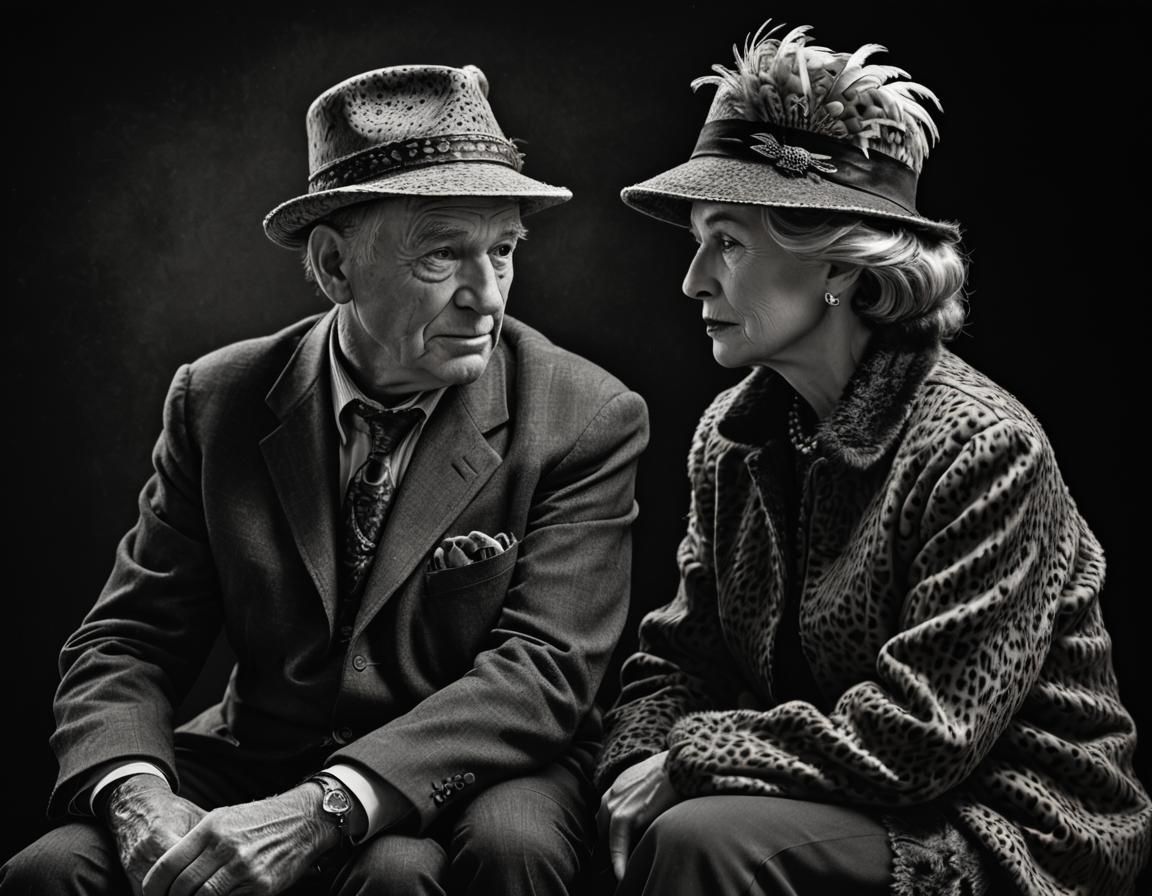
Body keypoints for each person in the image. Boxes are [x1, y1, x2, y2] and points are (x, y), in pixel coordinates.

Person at [0, 62, 648, 895]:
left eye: (504, 250)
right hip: (259, 751)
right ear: (336, 266)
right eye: (443, 256)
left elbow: (544, 675)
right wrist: (136, 796)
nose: (486, 296)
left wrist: (325, 809)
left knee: (452, 860)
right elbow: (128, 641)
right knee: (52, 871)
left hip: (481, 764)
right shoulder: (217, 398)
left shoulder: (587, 413)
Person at [593, 17, 1151, 896]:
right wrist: (636, 759)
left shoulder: (983, 447)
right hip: (824, 789)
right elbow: (682, 662)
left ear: (840, 269)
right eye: (699, 240)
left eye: (729, 242)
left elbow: (927, 735)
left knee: (701, 840)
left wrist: (690, 761)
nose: (694, 279)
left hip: (1001, 819)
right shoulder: (733, 438)